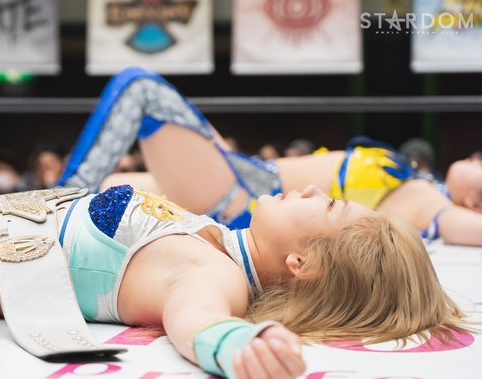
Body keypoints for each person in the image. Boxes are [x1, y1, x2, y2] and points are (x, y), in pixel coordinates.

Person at [0, 139, 470, 379]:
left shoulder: (211, 274)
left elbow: (196, 320)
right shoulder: (217, 241)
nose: (309, 189)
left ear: (302, 264)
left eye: (325, 205)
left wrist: (239, 347)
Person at [58, 67, 482, 246]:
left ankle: (50, 203)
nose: (478, 158)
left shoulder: (433, 206)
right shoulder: (426, 185)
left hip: (245, 201)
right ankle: (56, 210)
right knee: (113, 194)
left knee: (140, 87)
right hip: (248, 175)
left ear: (476, 203)